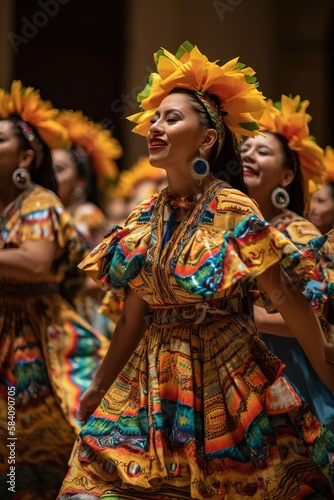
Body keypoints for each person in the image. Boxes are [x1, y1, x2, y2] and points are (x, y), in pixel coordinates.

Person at [59, 42, 334, 499]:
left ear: (207, 139)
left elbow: (284, 296)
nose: (156, 126)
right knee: (87, 487)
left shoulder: (231, 207)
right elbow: (132, 318)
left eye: (172, 118)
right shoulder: (143, 217)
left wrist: (326, 369)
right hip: (148, 380)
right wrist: (98, 385)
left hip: (225, 380)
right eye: (155, 117)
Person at [0, 81, 109, 499]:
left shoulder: (39, 202)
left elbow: (35, 262)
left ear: (26, 157)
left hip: (32, 335)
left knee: (26, 436)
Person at [240, 94, 334, 431]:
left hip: (288, 371)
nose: (250, 154)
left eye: (263, 152)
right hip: (227, 369)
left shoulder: (299, 232)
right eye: (245, 148)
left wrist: (247, 317)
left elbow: (315, 314)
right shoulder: (221, 220)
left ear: (285, 178)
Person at [52, 109, 122, 337]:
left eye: (60, 170)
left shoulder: (86, 214)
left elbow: (103, 275)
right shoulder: (43, 212)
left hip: (78, 317)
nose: (52, 178)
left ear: (80, 181)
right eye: (48, 169)